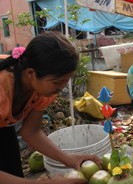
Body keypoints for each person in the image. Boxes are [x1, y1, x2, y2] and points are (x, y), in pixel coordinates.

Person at [0, 32, 102, 184]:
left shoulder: (41, 90)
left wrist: (68, 159)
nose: (61, 88)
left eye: (65, 81)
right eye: (57, 82)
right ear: (30, 74)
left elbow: (31, 131)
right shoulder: (2, 91)